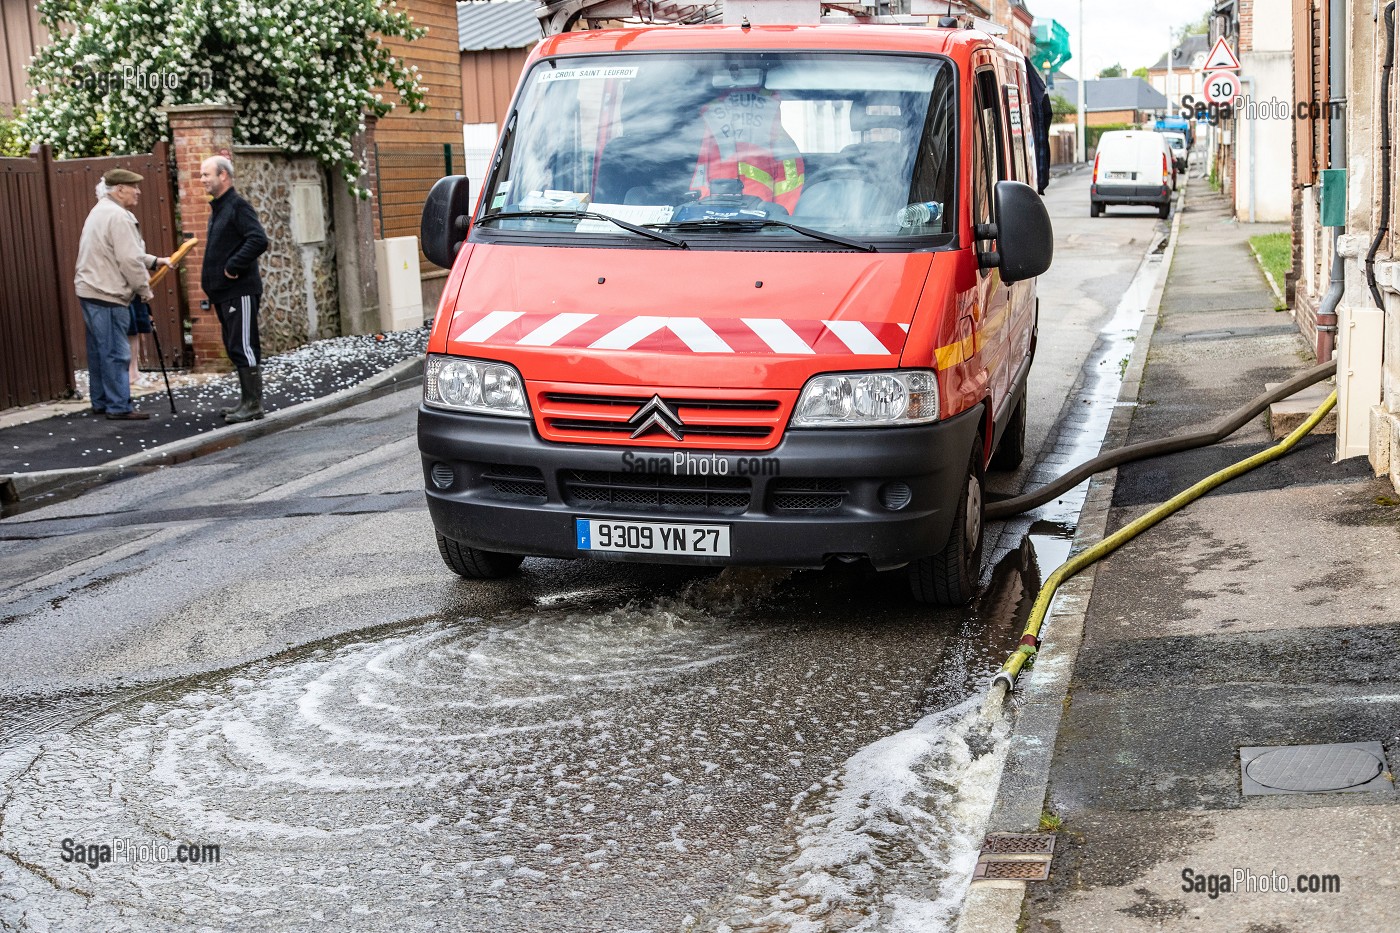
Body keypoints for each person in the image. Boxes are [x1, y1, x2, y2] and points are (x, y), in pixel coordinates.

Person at [74, 169, 170, 420]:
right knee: (116, 352)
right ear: (119, 189)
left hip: (90, 288)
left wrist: (154, 261)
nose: (138, 191)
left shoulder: (100, 211)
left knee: (98, 350)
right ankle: (119, 406)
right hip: (107, 291)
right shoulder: (119, 217)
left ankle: (102, 401)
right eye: (133, 187)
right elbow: (128, 259)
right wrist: (144, 289)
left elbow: (114, 250)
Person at [199, 155, 269, 423]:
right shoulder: (219, 208)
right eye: (202, 175)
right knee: (234, 345)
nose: (203, 180)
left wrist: (232, 267)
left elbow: (258, 239)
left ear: (223, 176)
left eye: (207, 175)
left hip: (239, 289)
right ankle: (245, 401)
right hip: (224, 292)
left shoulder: (238, 206)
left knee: (244, 344)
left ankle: (253, 404)